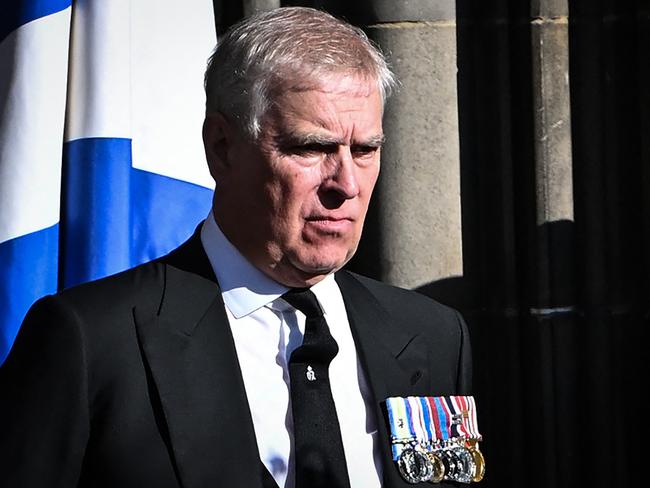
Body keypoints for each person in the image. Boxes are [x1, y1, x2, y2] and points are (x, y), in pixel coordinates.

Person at [0, 7, 472, 488]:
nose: (346, 184)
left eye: (365, 150)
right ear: (222, 147)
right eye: (311, 148)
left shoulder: (432, 335)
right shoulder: (90, 340)